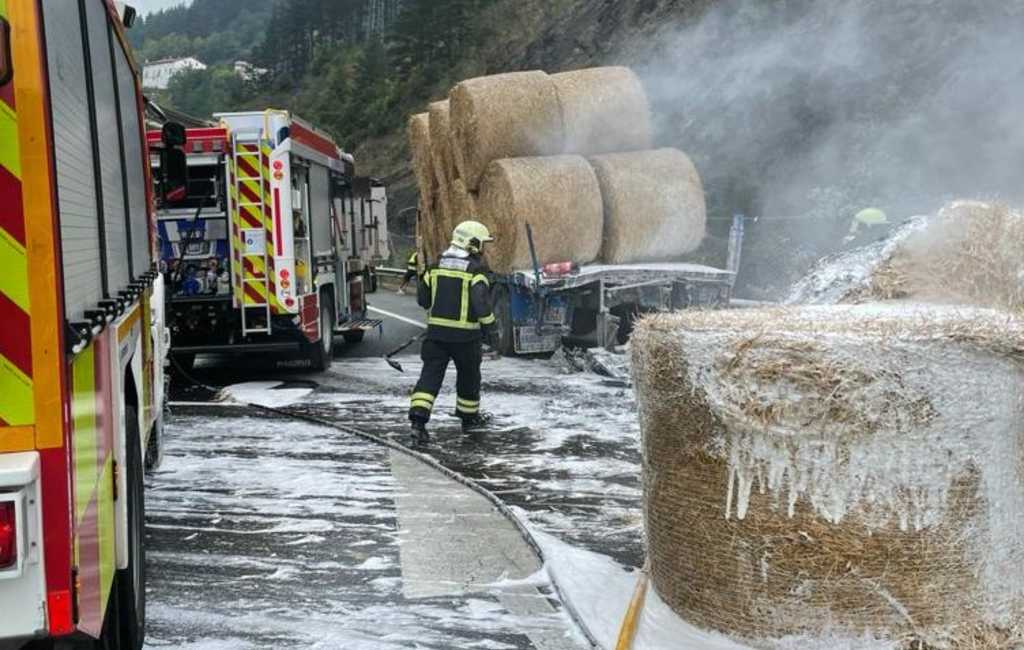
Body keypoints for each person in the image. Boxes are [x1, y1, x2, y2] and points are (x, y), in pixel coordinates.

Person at [408, 220, 499, 445]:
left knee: (430, 377)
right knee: (469, 377)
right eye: (482, 244)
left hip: (436, 337)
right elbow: (481, 305)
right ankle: (469, 419)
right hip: (466, 339)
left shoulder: (434, 266)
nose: (484, 249)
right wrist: (491, 329)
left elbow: (423, 300)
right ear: (472, 243)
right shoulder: (476, 270)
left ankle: (418, 422)